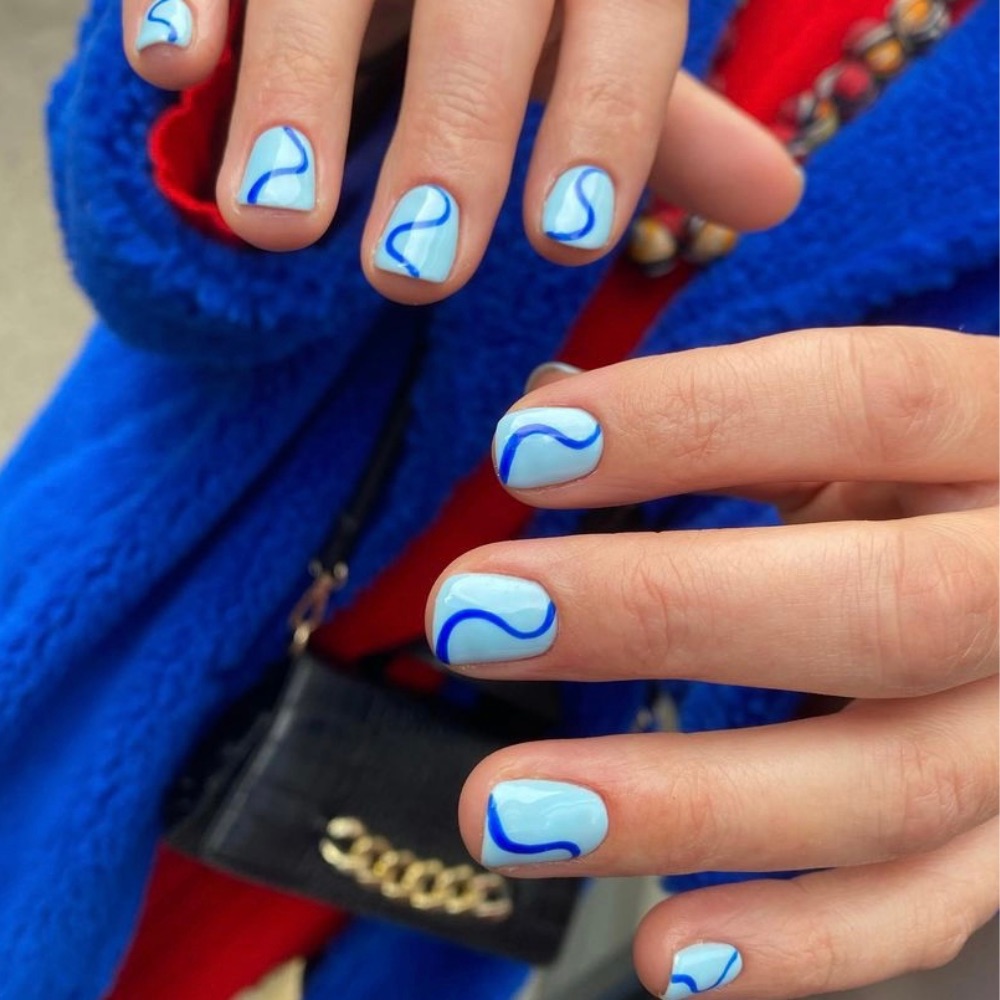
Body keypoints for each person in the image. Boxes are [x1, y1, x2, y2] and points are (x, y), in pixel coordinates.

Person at [0, 0, 994, 997]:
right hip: (139, 610)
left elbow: (861, 591)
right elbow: (161, 266)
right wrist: (302, 73)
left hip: (489, 769)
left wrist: (895, 633)